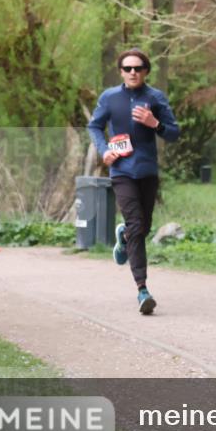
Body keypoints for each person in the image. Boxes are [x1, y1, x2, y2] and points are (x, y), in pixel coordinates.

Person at [87, 48, 180, 315]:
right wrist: (104, 150)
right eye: (127, 68)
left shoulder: (155, 98)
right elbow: (94, 126)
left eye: (137, 68)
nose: (132, 73)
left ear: (146, 71)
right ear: (121, 72)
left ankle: (124, 237)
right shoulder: (110, 98)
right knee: (137, 224)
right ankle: (142, 289)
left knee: (143, 226)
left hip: (147, 170)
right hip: (121, 171)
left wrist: (155, 123)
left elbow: (174, 133)